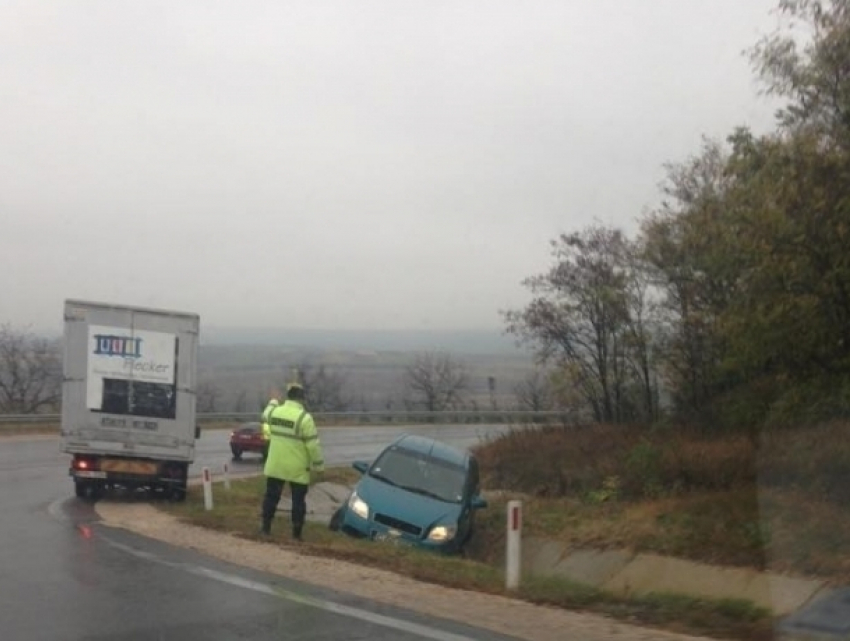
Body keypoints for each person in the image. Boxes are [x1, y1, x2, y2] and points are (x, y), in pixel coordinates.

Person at [260, 382, 324, 540]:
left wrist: (274, 400)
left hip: (276, 465)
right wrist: (319, 466)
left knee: (271, 497)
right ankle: (296, 534)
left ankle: (265, 528)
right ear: (301, 399)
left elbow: (265, 414)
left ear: (288, 397)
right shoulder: (305, 418)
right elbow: (313, 446)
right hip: (298, 468)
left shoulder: (275, 412)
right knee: (298, 502)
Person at [259, 394, 279, 459]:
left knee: (266, 442)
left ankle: (265, 454)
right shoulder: (275, 409)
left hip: (265, 427)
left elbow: (262, 417)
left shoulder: (266, 409)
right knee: (272, 443)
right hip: (271, 428)